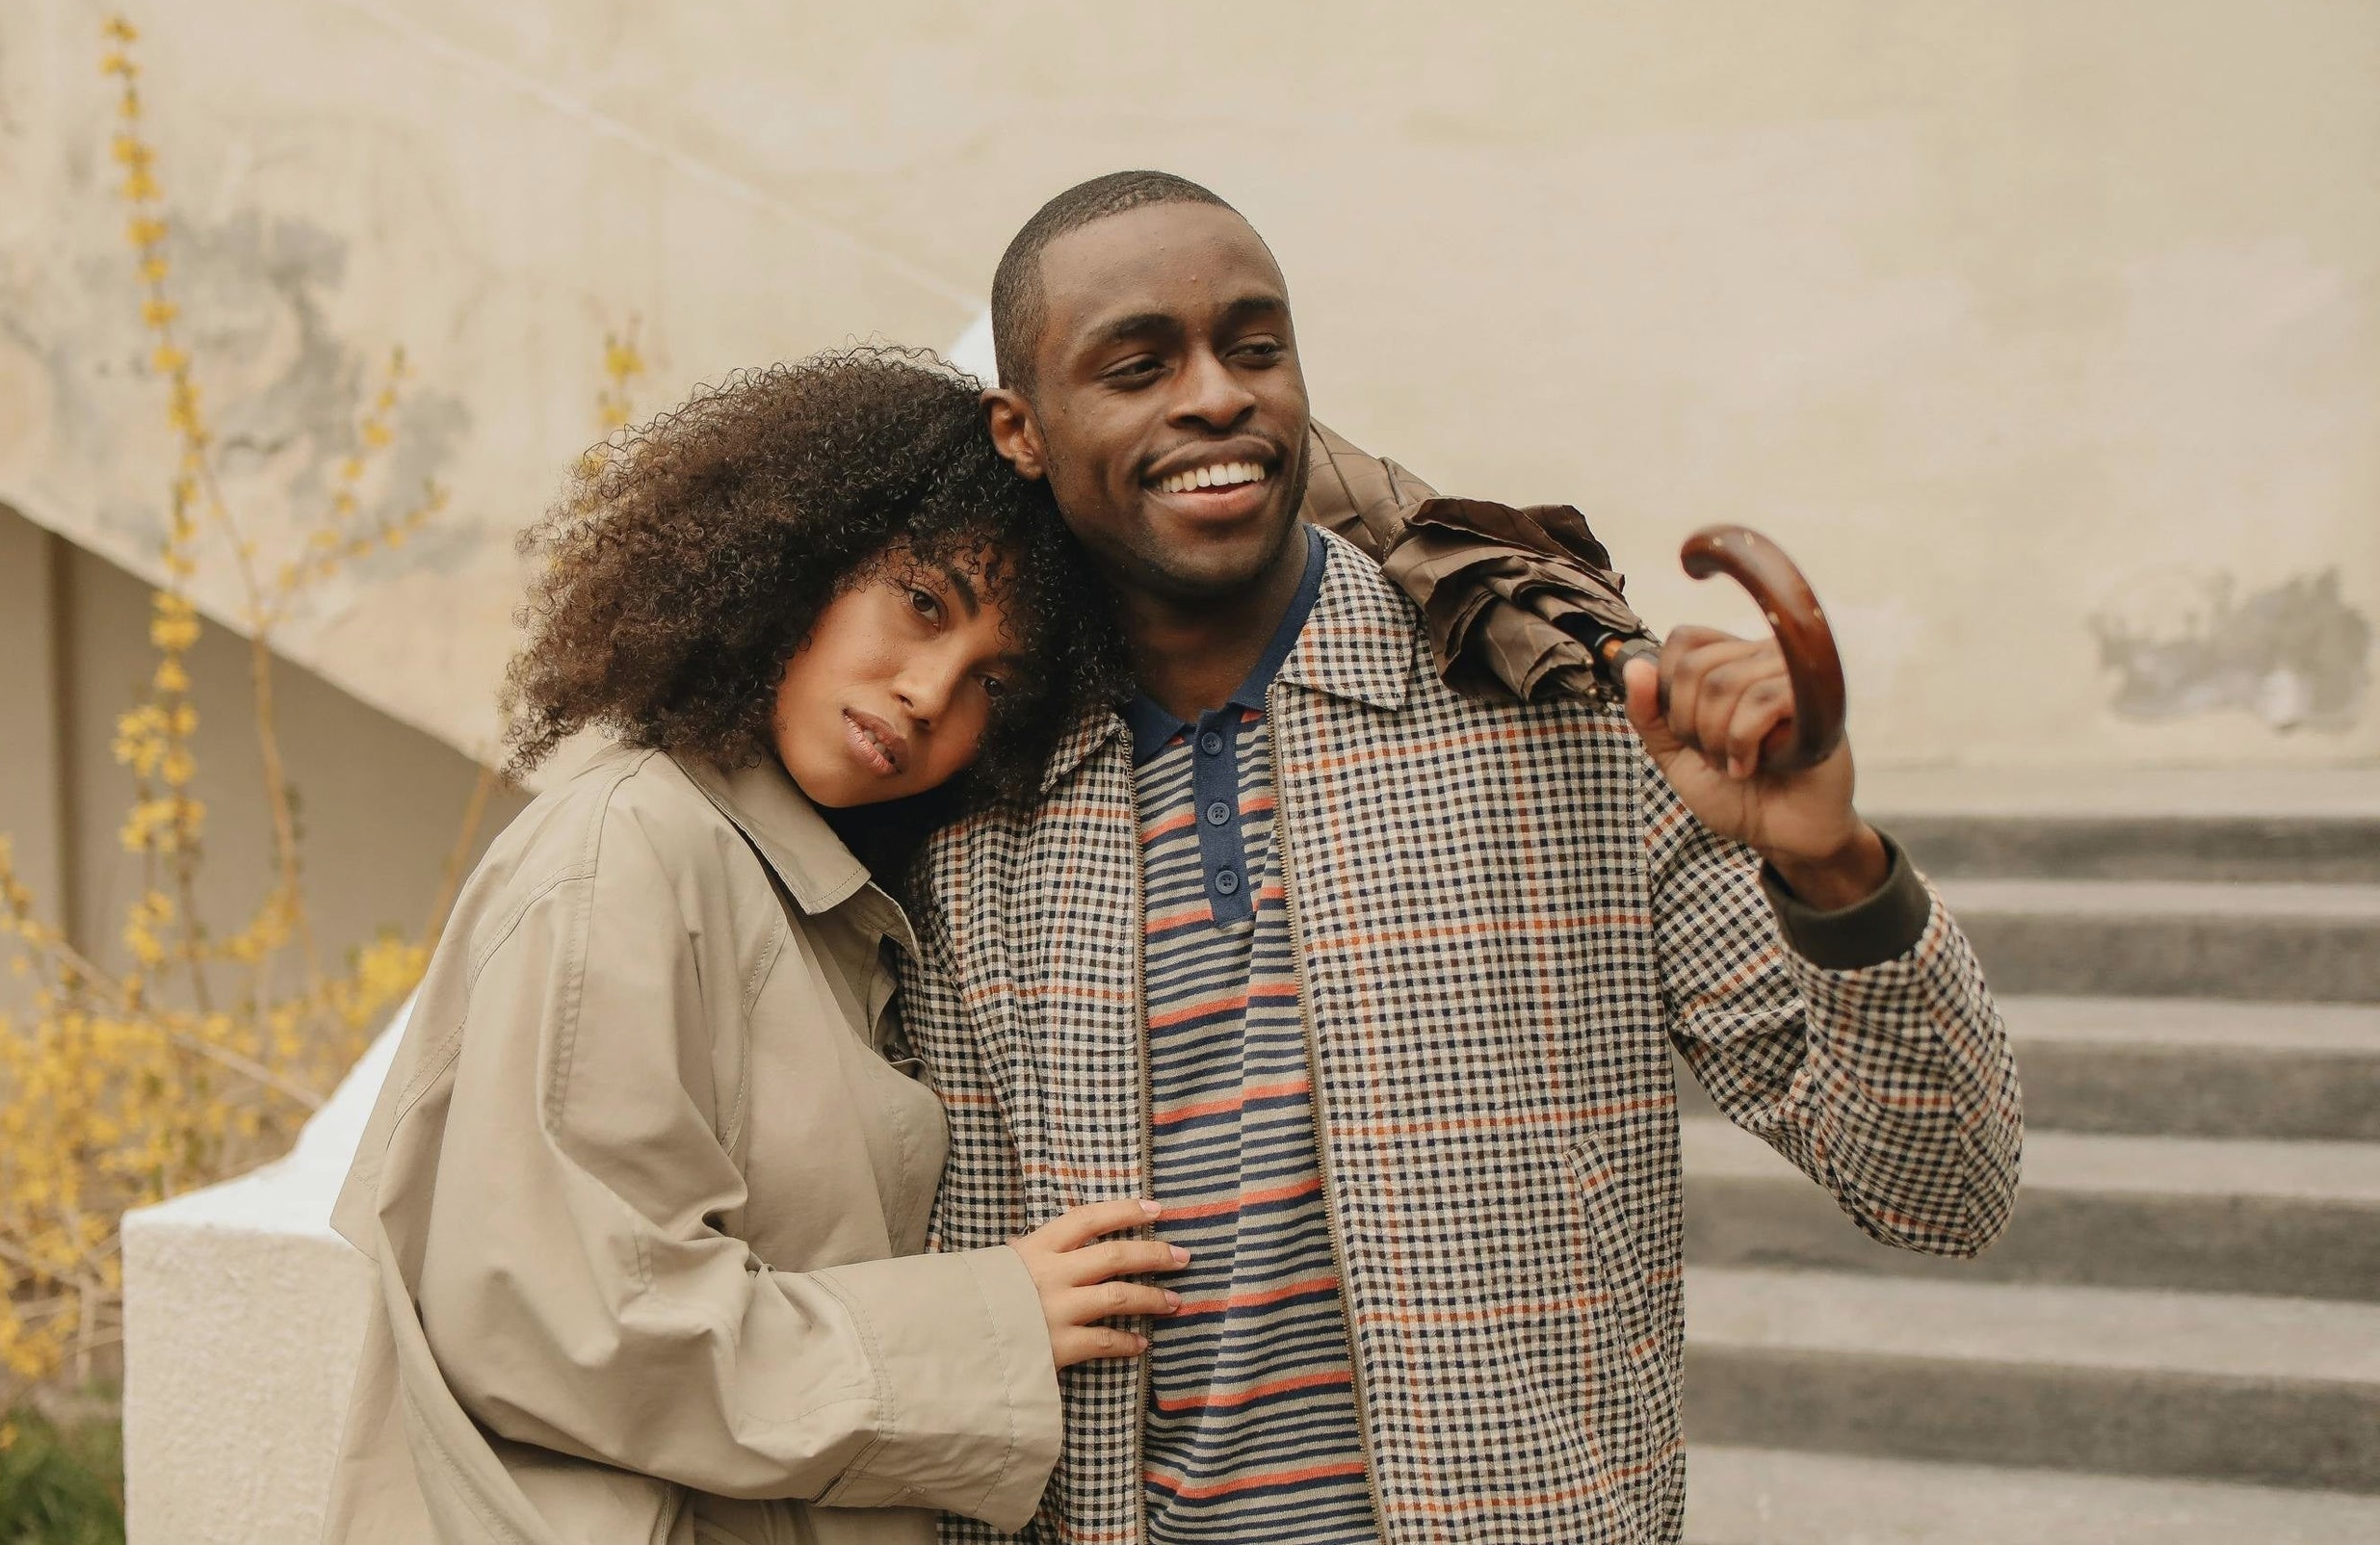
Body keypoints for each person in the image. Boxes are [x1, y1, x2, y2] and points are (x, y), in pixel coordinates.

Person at [902, 172, 2024, 1545]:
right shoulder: (972, 813)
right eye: (1138, 366)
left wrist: (1833, 868)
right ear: (1022, 428)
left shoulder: (1569, 720)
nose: (1216, 397)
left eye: (1255, 346)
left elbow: (1944, 1186)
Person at [322, 349, 1190, 1545]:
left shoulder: (811, 898)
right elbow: (576, 1327)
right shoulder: (631, 851)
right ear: (796, 562)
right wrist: (992, 1322)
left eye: (995, 679)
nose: (933, 690)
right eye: (922, 604)